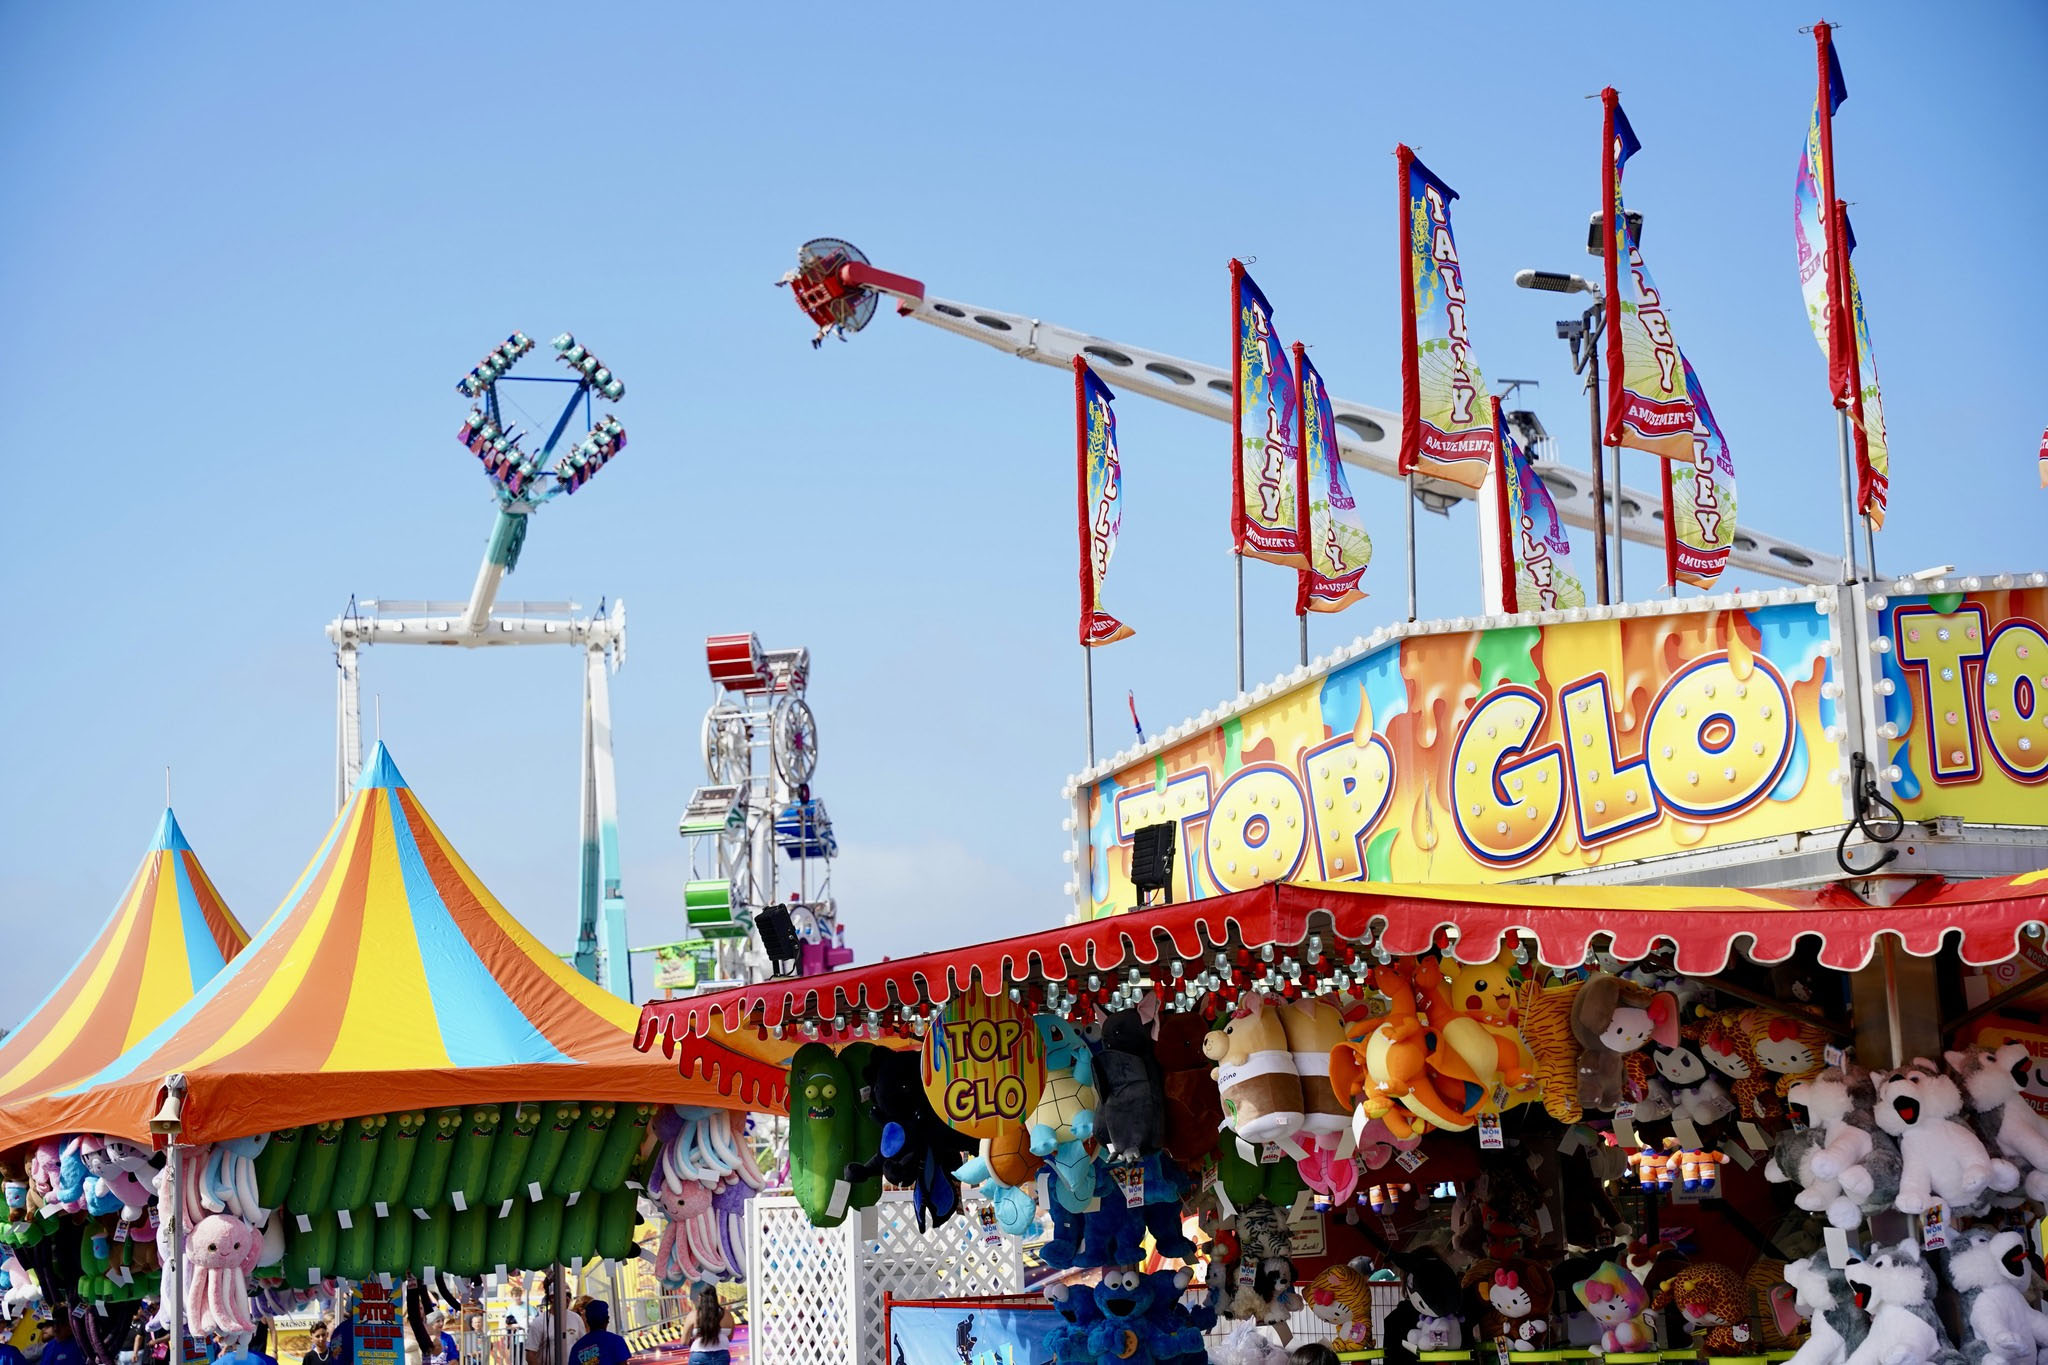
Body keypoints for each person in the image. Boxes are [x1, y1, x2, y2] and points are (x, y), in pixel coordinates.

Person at [683, 1287, 728, 1365]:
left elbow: (684, 1341)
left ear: (700, 1298)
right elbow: (729, 1337)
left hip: (699, 1355)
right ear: (715, 1297)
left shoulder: (693, 1315)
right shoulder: (727, 1315)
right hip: (721, 1355)